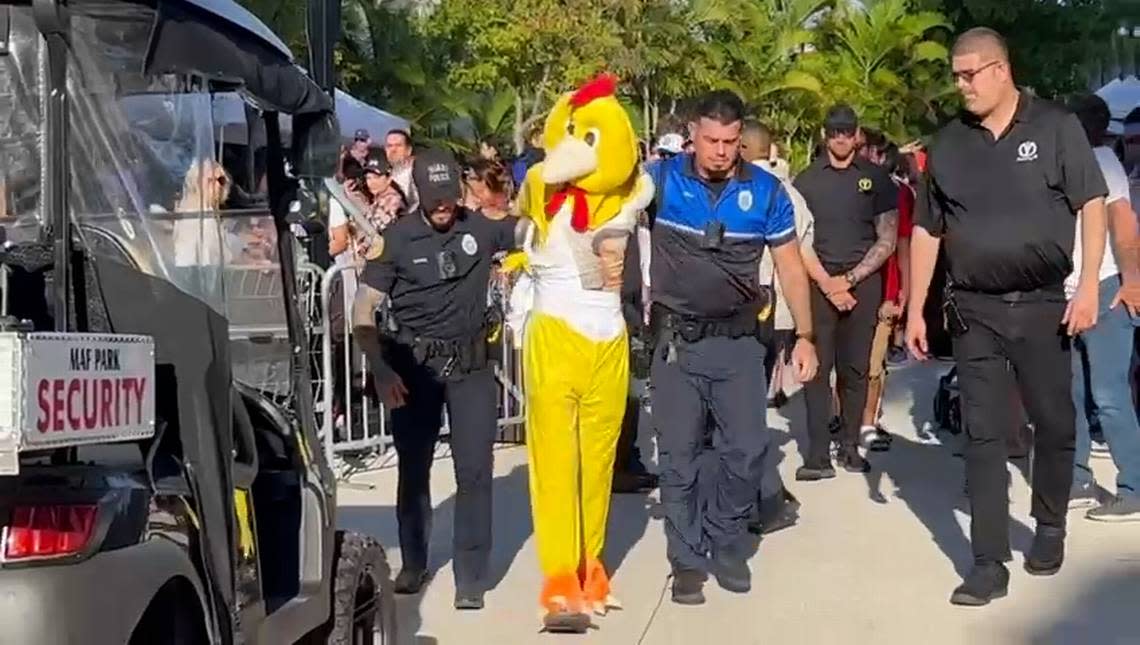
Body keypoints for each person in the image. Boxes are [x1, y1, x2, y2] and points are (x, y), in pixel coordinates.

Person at [906, 28, 1109, 606]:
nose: (961, 84)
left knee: (1054, 422)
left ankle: (1049, 524)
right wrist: (917, 307)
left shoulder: (1054, 127)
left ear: (1002, 69)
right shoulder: (946, 145)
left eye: (970, 73)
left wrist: (1088, 285)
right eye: (955, 74)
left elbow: (1090, 204)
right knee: (984, 434)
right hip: (974, 311)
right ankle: (988, 561)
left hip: (1045, 305)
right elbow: (927, 228)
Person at [646, 90, 818, 605]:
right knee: (678, 460)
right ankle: (687, 562)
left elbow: (790, 266)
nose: (721, 151)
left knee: (745, 452)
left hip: (742, 345)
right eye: (711, 140)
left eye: (730, 141)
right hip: (677, 344)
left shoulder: (767, 192)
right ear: (692, 135)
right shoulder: (660, 181)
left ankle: (725, 539)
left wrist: (805, 337)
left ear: (741, 139)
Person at [350, 149, 526, 610]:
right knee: (414, 469)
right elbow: (363, 310)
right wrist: (382, 369)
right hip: (413, 369)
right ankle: (414, 562)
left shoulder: (481, 228)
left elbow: (532, 231)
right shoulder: (397, 239)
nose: (444, 206)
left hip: (470, 368)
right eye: (435, 199)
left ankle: (470, 576)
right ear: (420, 196)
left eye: (450, 197)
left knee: (475, 473)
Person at [793, 104, 899, 479]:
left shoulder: (877, 179)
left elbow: (887, 238)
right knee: (816, 372)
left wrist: (850, 279)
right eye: (834, 131)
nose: (840, 138)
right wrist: (826, 282)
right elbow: (797, 240)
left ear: (857, 135)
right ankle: (817, 456)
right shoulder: (804, 181)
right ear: (825, 135)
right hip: (818, 284)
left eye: (847, 131)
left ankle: (851, 448)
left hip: (862, 286)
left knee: (855, 371)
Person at [1065, 94, 1140, 522]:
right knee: (1073, 394)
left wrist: (1132, 282)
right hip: (1072, 292)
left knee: (1108, 394)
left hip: (1106, 288)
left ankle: (1134, 487)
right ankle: (1078, 481)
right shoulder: (1065, 163)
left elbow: (1125, 225)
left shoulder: (1103, 164)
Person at [744, 118, 815, 534]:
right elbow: (804, 252)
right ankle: (766, 491)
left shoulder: (757, 192)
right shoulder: (792, 193)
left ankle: (766, 494)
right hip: (779, 314)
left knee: (746, 408)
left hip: (755, 313)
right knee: (753, 403)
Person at [859, 141, 915, 451]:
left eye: (873, 153)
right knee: (846, 363)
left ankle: (868, 420)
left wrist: (906, 289)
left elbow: (903, 243)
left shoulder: (899, 193)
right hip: (847, 287)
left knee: (874, 363)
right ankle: (843, 416)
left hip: (886, 290)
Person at [385, 129, 420, 214]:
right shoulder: (386, 173)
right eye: (389, 146)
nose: (393, 150)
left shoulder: (416, 172)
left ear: (409, 150)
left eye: (398, 145)